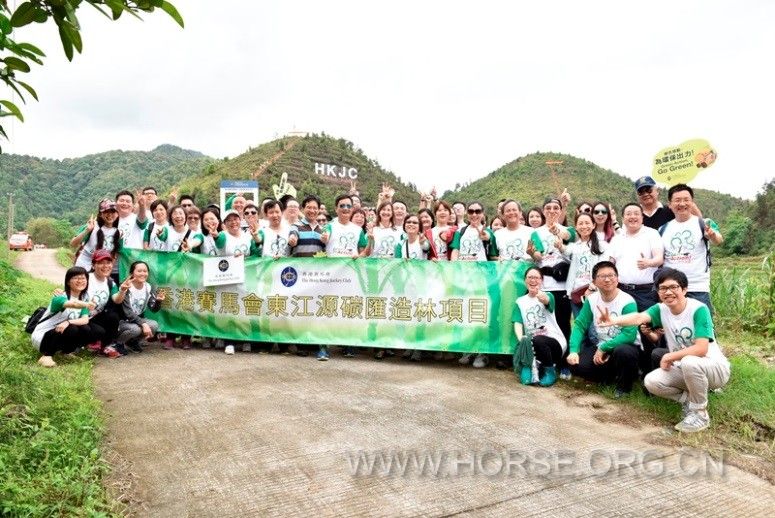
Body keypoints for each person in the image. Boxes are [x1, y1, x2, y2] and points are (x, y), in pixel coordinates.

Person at [598, 268, 730, 433]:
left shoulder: (698, 309)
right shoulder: (661, 309)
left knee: (689, 360)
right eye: (663, 288)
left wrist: (670, 356)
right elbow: (639, 317)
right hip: (687, 369)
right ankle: (690, 401)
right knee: (651, 382)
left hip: (715, 370)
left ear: (684, 289)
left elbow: (701, 349)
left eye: (673, 287)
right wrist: (613, 320)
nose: (668, 292)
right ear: (658, 292)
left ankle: (700, 414)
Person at [566, 261, 640, 397]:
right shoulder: (592, 300)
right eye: (602, 276)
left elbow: (629, 335)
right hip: (602, 345)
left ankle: (624, 387)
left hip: (626, 346)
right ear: (594, 281)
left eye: (611, 275)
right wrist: (573, 351)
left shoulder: (627, 301)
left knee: (623, 352)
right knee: (575, 365)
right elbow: (580, 325)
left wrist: (604, 348)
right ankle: (609, 377)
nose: (607, 279)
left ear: (617, 278)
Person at [660, 184, 723, 311]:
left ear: (692, 202)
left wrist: (712, 235)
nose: (682, 203)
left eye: (686, 200)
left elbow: (719, 240)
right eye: (677, 200)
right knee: (672, 328)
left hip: (697, 287)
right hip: (671, 288)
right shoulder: (663, 229)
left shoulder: (704, 223)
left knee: (703, 327)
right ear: (670, 204)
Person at [321, 194, 368, 358]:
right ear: (336, 208)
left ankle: (348, 344)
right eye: (342, 206)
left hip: (351, 275)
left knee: (348, 308)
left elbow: (364, 250)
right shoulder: (330, 226)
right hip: (331, 275)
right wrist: (324, 237)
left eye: (348, 206)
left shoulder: (358, 230)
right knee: (328, 308)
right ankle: (323, 346)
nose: (345, 209)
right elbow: (324, 238)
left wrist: (360, 256)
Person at [450, 201, 494, 368]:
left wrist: (485, 236)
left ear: (483, 213)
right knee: (466, 314)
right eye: (471, 211)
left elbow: (490, 243)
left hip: (482, 280)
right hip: (463, 279)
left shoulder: (488, 231)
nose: (474, 214)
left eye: (478, 211)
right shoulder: (461, 231)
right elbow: (455, 250)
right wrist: (454, 264)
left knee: (480, 314)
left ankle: (482, 352)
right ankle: (468, 349)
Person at [512, 267, 567, 386]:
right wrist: (521, 338)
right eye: (530, 277)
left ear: (541, 280)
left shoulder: (548, 295)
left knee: (538, 339)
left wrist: (543, 298)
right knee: (526, 341)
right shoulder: (520, 301)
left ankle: (550, 371)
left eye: (536, 277)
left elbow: (547, 301)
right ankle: (528, 367)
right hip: (534, 345)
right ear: (525, 280)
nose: (533, 280)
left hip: (554, 344)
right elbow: (517, 322)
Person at [31, 266, 97, 367]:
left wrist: (68, 322)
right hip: (42, 337)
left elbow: (85, 320)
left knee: (85, 329)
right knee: (72, 329)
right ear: (68, 282)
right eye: (76, 278)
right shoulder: (60, 297)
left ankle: (66, 352)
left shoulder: (83, 299)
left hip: (59, 332)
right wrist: (87, 305)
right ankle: (46, 356)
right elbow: (73, 304)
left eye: (83, 278)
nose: (80, 281)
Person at [530, 197, 575, 341]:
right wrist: (532, 253)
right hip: (545, 285)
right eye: (548, 208)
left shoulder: (569, 230)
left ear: (561, 211)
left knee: (563, 323)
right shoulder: (536, 233)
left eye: (556, 208)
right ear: (543, 211)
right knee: (544, 324)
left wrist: (558, 231)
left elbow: (568, 236)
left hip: (563, 286)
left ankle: (565, 360)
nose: (552, 210)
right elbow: (538, 256)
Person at [607, 203, 664, 312]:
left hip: (646, 292)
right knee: (624, 326)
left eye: (636, 214)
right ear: (623, 219)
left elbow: (659, 258)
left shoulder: (652, 234)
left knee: (647, 326)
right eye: (628, 214)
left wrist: (649, 262)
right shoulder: (617, 239)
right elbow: (610, 263)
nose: (632, 216)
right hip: (621, 290)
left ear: (642, 217)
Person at [558, 212, 608, 316]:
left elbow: (604, 268)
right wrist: (559, 246)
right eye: (580, 223)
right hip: (576, 293)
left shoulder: (601, 245)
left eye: (587, 223)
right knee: (580, 326)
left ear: (593, 225)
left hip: (594, 292)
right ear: (576, 226)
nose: (584, 226)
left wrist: (592, 288)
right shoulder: (575, 246)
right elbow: (565, 250)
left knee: (595, 327)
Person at [114, 261, 165, 354]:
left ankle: (132, 342)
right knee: (136, 329)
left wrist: (158, 301)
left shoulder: (148, 287)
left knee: (154, 325)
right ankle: (118, 343)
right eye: (139, 271)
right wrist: (143, 324)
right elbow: (128, 313)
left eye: (145, 271)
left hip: (136, 320)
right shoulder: (126, 286)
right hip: (122, 321)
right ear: (132, 273)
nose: (143, 273)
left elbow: (153, 309)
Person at [86, 250, 129, 357]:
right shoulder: (86, 278)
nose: (105, 266)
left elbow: (117, 300)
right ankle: (79, 343)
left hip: (94, 317)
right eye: (101, 263)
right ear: (93, 265)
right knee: (98, 331)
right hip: (80, 317)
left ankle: (105, 346)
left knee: (113, 317)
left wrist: (122, 290)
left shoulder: (110, 282)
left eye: (108, 263)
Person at [73, 199, 122, 279]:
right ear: (100, 214)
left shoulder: (118, 232)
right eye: (106, 212)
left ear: (117, 214)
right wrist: (87, 230)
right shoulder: (92, 226)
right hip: (83, 266)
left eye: (113, 212)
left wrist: (107, 274)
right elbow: (73, 243)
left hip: (101, 269)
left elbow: (113, 255)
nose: (110, 215)